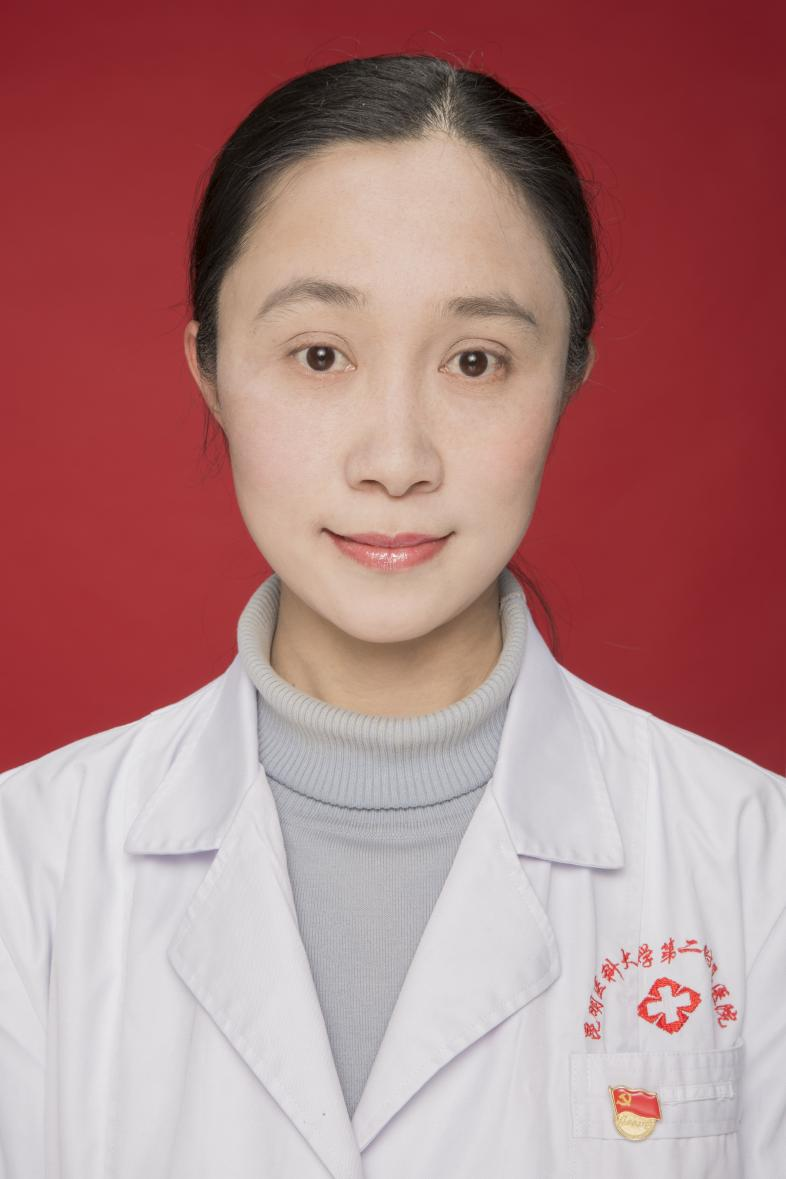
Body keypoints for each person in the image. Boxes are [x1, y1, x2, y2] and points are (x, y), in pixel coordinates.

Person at [0, 52, 783, 1179]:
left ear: (569, 376)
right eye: (320, 354)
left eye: (477, 361)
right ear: (210, 368)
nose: (397, 458)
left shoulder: (755, 869)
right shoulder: (29, 868)